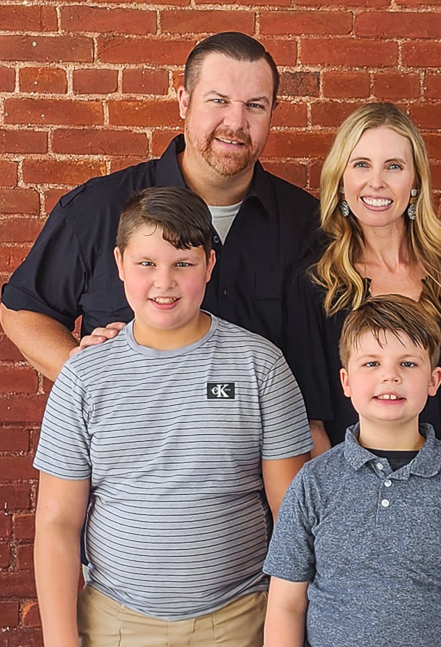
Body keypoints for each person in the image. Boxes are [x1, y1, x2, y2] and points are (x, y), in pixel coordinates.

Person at [33, 187, 312, 647]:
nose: (164, 282)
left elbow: (292, 519)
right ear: (120, 263)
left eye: (182, 263)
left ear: (209, 266)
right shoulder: (84, 376)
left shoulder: (260, 365)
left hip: (240, 619)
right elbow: (57, 523)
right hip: (115, 623)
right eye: (147, 264)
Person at [0, 31, 319, 383]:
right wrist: (87, 383)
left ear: (273, 111)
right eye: (218, 101)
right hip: (126, 436)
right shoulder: (98, 208)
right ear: (184, 101)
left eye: (255, 105)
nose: (235, 122)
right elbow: (24, 311)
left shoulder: (307, 225)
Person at [264, 294, 441, 647]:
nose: (390, 376)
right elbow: (286, 606)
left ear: (434, 381)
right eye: (371, 364)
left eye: (408, 364)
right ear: (346, 381)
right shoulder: (314, 482)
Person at [285, 102, 441, 447]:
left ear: (415, 182)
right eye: (361, 165)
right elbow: (312, 423)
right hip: (353, 486)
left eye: (393, 166)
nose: (376, 182)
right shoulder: (317, 284)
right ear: (341, 181)